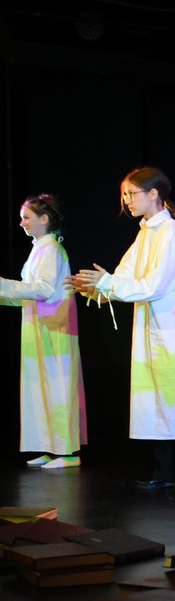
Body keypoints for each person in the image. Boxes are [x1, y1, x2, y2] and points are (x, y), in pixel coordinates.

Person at [66, 166, 175, 495]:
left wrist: (108, 284)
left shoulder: (170, 233)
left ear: (154, 194)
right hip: (156, 328)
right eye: (124, 195)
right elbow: (125, 277)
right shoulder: (146, 234)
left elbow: (154, 284)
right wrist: (98, 289)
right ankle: (164, 470)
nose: (126, 200)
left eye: (132, 194)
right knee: (158, 398)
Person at [1, 193, 87, 469]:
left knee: (58, 387)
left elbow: (44, 290)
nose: (22, 223)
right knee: (41, 387)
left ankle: (68, 452)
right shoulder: (39, 249)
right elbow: (29, 293)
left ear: (44, 219)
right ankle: (51, 447)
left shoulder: (52, 250)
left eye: (27, 217)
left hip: (55, 329)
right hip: (39, 328)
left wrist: (3, 286)